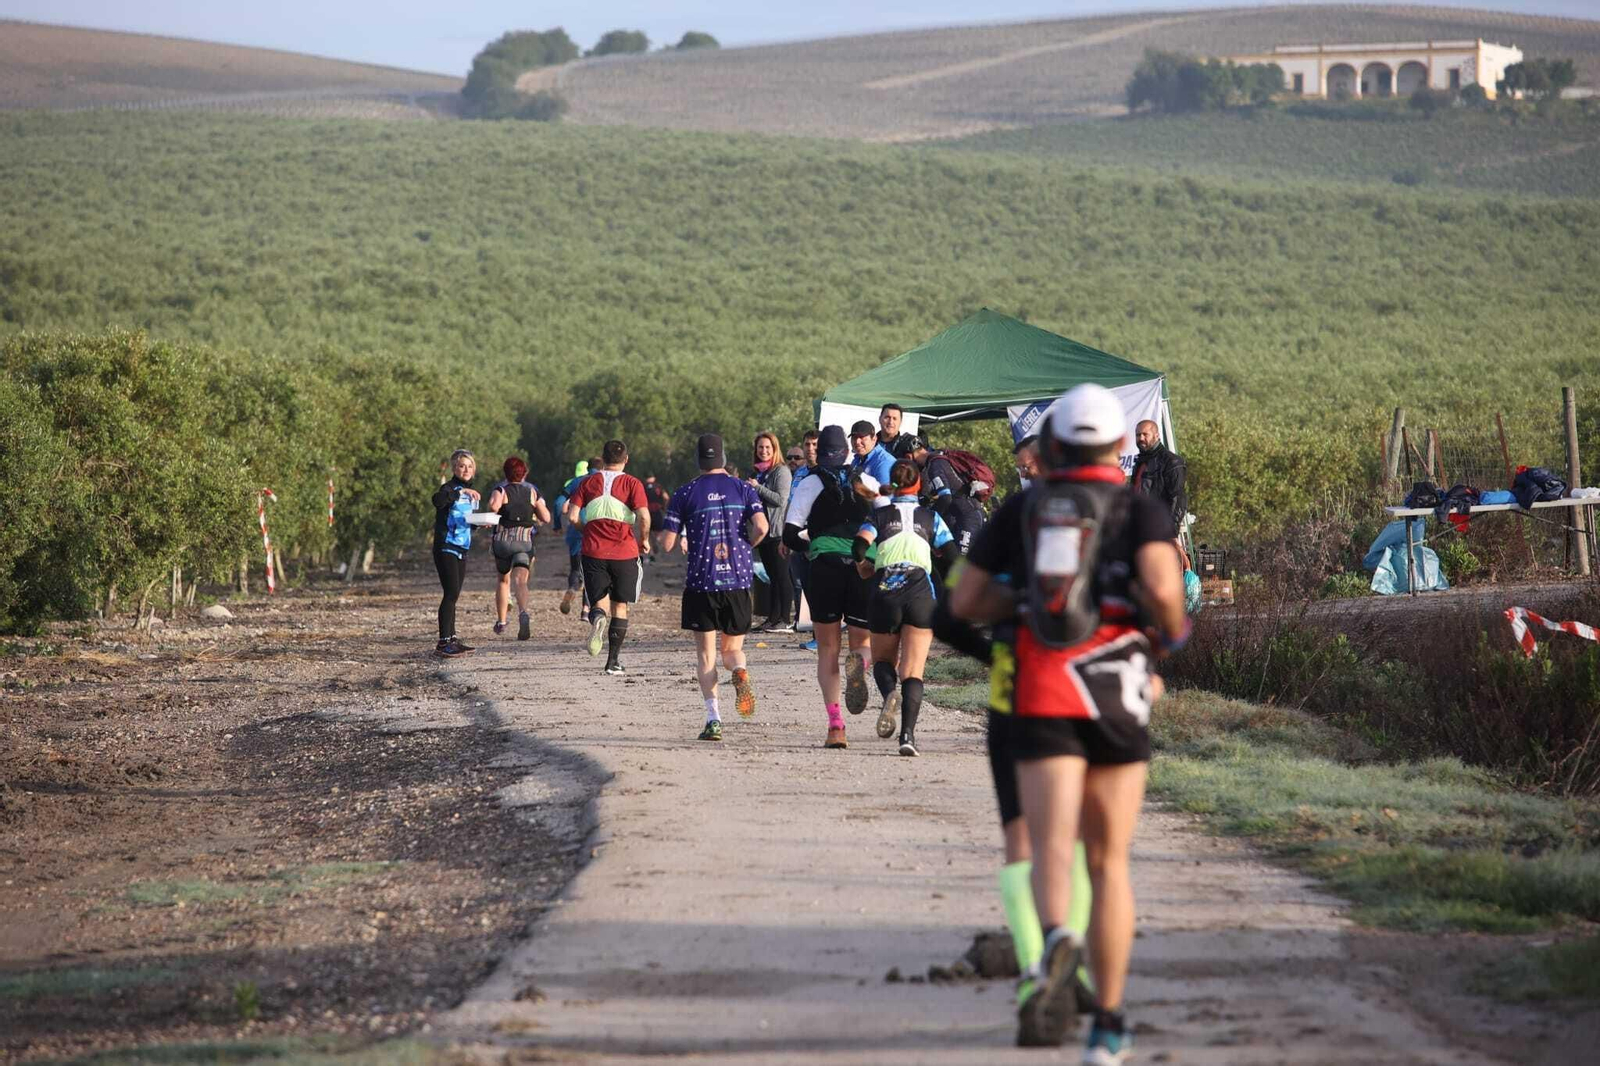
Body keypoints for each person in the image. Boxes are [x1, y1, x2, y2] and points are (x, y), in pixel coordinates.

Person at [952, 385, 1187, 1057]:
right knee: (1109, 861)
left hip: (1043, 689)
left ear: (1051, 445)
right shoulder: (1139, 509)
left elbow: (965, 599)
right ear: (1118, 446)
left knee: (1050, 846)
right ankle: (1108, 1025)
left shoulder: (1025, 508)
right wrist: (1162, 634)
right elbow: (1167, 596)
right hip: (1117, 695)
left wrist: (1019, 597)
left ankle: (1057, 940)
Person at [660, 433, 769, 742]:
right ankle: (739, 672)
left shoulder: (685, 493)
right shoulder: (743, 488)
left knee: (706, 657)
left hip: (701, 581)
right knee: (733, 650)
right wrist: (748, 545)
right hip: (738, 578)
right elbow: (763, 526)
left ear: (698, 460)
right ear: (723, 458)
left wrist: (670, 535)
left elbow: (667, 544)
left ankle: (714, 719)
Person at [784, 425, 875, 748]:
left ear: (819, 452)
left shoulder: (809, 482)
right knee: (862, 642)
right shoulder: (864, 482)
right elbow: (884, 519)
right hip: (863, 567)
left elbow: (789, 534)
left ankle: (836, 726)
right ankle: (859, 667)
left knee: (827, 649)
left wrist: (813, 544)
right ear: (847, 452)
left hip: (824, 569)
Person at [854, 460, 953, 756]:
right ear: (919, 485)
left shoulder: (880, 514)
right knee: (914, 671)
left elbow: (858, 547)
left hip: (886, 591)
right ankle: (908, 737)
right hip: (921, 594)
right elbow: (953, 556)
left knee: (884, 662)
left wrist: (864, 566)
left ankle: (889, 695)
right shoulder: (931, 517)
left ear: (892, 486)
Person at [565, 439, 651, 676]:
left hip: (593, 551)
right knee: (620, 605)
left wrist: (587, 530)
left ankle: (598, 618)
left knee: (599, 601)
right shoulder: (632, 483)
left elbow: (572, 516)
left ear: (602, 458)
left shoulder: (587, 481)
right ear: (626, 459)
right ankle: (613, 662)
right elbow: (644, 516)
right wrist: (643, 539)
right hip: (624, 551)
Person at [485, 457, 551, 641]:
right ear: (524, 473)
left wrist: (493, 512)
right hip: (524, 542)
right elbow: (546, 517)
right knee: (521, 581)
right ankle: (523, 613)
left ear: (505, 472)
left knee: (503, 581)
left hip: (503, 542)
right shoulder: (531, 491)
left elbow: (493, 506)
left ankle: (502, 621)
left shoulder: (501, 489)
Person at [899, 436, 987, 571]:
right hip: (960, 517)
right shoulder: (937, 459)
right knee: (951, 567)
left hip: (969, 517)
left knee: (959, 568)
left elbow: (945, 499)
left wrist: (927, 520)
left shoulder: (935, 464)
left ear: (908, 456)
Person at [430, 449, 480, 658]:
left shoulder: (473, 494)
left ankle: (452, 638)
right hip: (446, 546)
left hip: (462, 548)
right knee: (450, 593)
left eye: (469, 466)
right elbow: (437, 500)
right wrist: (460, 492)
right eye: (462, 466)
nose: (466, 469)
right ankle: (443, 642)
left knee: (455, 594)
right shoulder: (449, 489)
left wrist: (480, 523)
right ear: (454, 468)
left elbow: (469, 523)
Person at [747, 431, 794, 632]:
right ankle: (772, 618)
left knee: (782, 576)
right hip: (763, 532)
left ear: (775, 450)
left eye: (768, 447)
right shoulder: (760, 472)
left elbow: (781, 500)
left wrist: (757, 488)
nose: (764, 451)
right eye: (760, 447)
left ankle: (784, 617)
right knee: (772, 576)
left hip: (778, 532)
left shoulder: (781, 471)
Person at [788, 430, 820, 644]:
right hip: (798, 536)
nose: (810, 449)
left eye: (815, 445)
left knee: (820, 587)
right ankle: (816, 633)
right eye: (807, 444)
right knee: (805, 584)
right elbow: (791, 505)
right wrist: (785, 536)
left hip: (818, 536)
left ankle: (822, 634)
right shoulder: (799, 473)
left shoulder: (826, 471)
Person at [554, 459, 597, 618]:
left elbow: (559, 503)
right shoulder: (605, 481)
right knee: (592, 571)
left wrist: (557, 524)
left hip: (576, 530)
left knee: (575, 568)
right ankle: (586, 610)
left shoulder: (574, 482)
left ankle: (572, 588)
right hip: (596, 530)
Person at [1131, 420, 1187, 539]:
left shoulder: (1172, 461)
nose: (1141, 438)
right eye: (1138, 435)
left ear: (1156, 435)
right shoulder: (1140, 462)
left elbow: (1178, 499)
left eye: (1145, 434)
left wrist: (1171, 533)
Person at [849, 420, 895, 493]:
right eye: (854, 437)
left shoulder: (884, 463)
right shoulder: (857, 459)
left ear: (874, 439)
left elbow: (886, 497)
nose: (857, 441)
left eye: (862, 437)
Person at [643, 475, 671, 560]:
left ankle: (652, 551)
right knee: (659, 532)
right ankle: (658, 542)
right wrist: (665, 507)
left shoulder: (643, 486)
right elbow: (666, 498)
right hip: (657, 512)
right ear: (653, 478)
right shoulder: (658, 486)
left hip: (647, 512)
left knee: (648, 532)